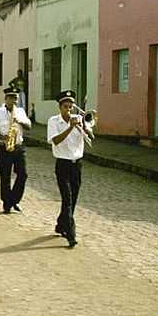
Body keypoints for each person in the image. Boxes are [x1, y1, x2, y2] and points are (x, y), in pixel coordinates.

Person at [47, 90, 93, 247]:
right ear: (60, 108)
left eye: (70, 107)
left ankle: (61, 224)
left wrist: (85, 127)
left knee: (73, 199)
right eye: (65, 107)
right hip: (62, 164)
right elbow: (56, 141)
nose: (69, 110)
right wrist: (70, 128)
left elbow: (91, 138)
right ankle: (71, 234)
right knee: (67, 198)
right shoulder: (53, 121)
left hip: (77, 164)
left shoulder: (79, 119)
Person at [0, 86, 32, 214]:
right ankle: (6, 203)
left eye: (16, 98)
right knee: (5, 176)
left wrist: (20, 121)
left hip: (19, 147)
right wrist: (4, 137)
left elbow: (29, 126)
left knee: (23, 174)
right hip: (4, 147)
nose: (14, 101)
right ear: (6, 99)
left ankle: (14, 199)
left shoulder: (20, 111)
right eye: (12, 98)